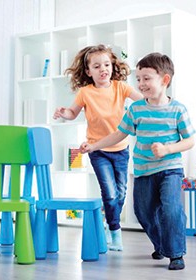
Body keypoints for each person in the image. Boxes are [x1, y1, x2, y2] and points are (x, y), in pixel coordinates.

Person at [80, 52, 195, 270]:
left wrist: (168, 148)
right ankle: (161, 244)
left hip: (170, 169)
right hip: (143, 171)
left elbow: (189, 140)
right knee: (142, 212)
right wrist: (94, 145)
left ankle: (176, 253)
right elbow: (119, 134)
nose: (141, 84)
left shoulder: (178, 109)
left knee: (171, 210)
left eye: (146, 78)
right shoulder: (136, 109)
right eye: (138, 79)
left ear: (165, 80)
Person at [53, 44, 143, 251]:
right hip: (97, 150)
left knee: (120, 193)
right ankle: (115, 232)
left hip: (121, 148)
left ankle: (108, 218)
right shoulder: (86, 92)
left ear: (112, 66)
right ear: (88, 71)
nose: (103, 69)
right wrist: (63, 112)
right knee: (110, 193)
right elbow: (72, 113)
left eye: (106, 64)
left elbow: (143, 101)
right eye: (96, 66)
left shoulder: (121, 87)